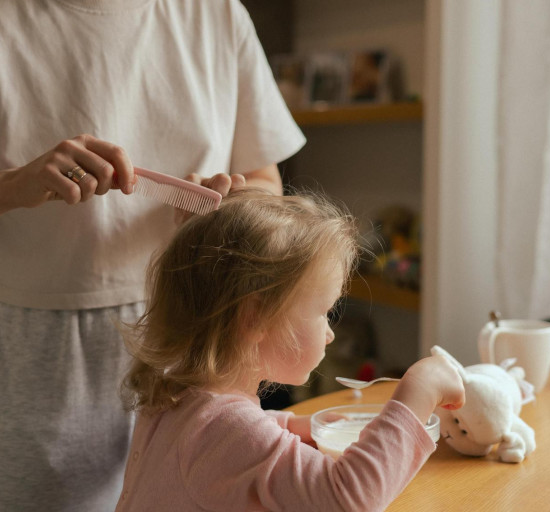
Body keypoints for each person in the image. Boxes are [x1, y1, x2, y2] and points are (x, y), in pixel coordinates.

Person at [0, 0, 305, 510]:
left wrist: (234, 205)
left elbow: (265, 180)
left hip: (193, 348)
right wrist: (11, 186)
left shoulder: (215, 9)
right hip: (37, 367)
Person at [116, 190, 466, 511]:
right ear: (255, 318)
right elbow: (347, 497)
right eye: (323, 313)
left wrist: (291, 425)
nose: (330, 333)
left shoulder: (177, 393)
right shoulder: (225, 429)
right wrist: (417, 392)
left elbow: (231, 438)